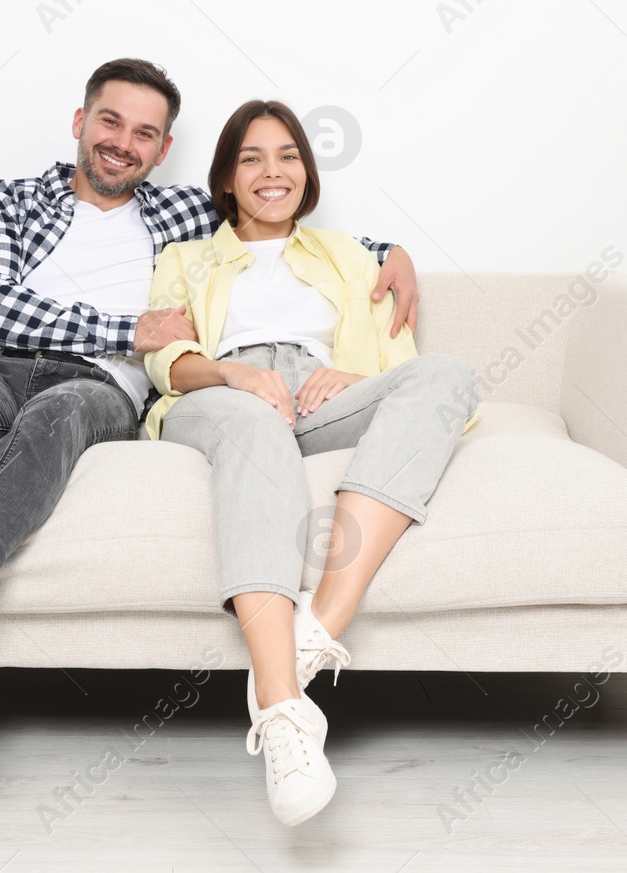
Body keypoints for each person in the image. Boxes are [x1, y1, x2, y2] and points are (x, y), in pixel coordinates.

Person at [0, 59, 421, 723]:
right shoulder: (5, 199)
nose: (124, 141)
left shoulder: (184, 213)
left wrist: (395, 251)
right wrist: (128, 327)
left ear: (164, 149)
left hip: (99, 382)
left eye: (145, 132)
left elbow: (283, 222)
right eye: (110, 120)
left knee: (61, 409)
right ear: (80, 121)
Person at [143, 98, 481, 826]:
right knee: (255, 426)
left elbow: (404, 366)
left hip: (323, 395)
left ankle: (320, 624)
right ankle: (285, 712)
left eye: (288, 155)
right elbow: (166, 358)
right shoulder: (185, 257)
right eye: (252, 158)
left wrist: (356, 381)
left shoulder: (348, 253)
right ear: (227, 179)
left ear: (307, 170)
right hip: (222, 392)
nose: (274, 171)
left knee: (450, 374)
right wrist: (236, 376)